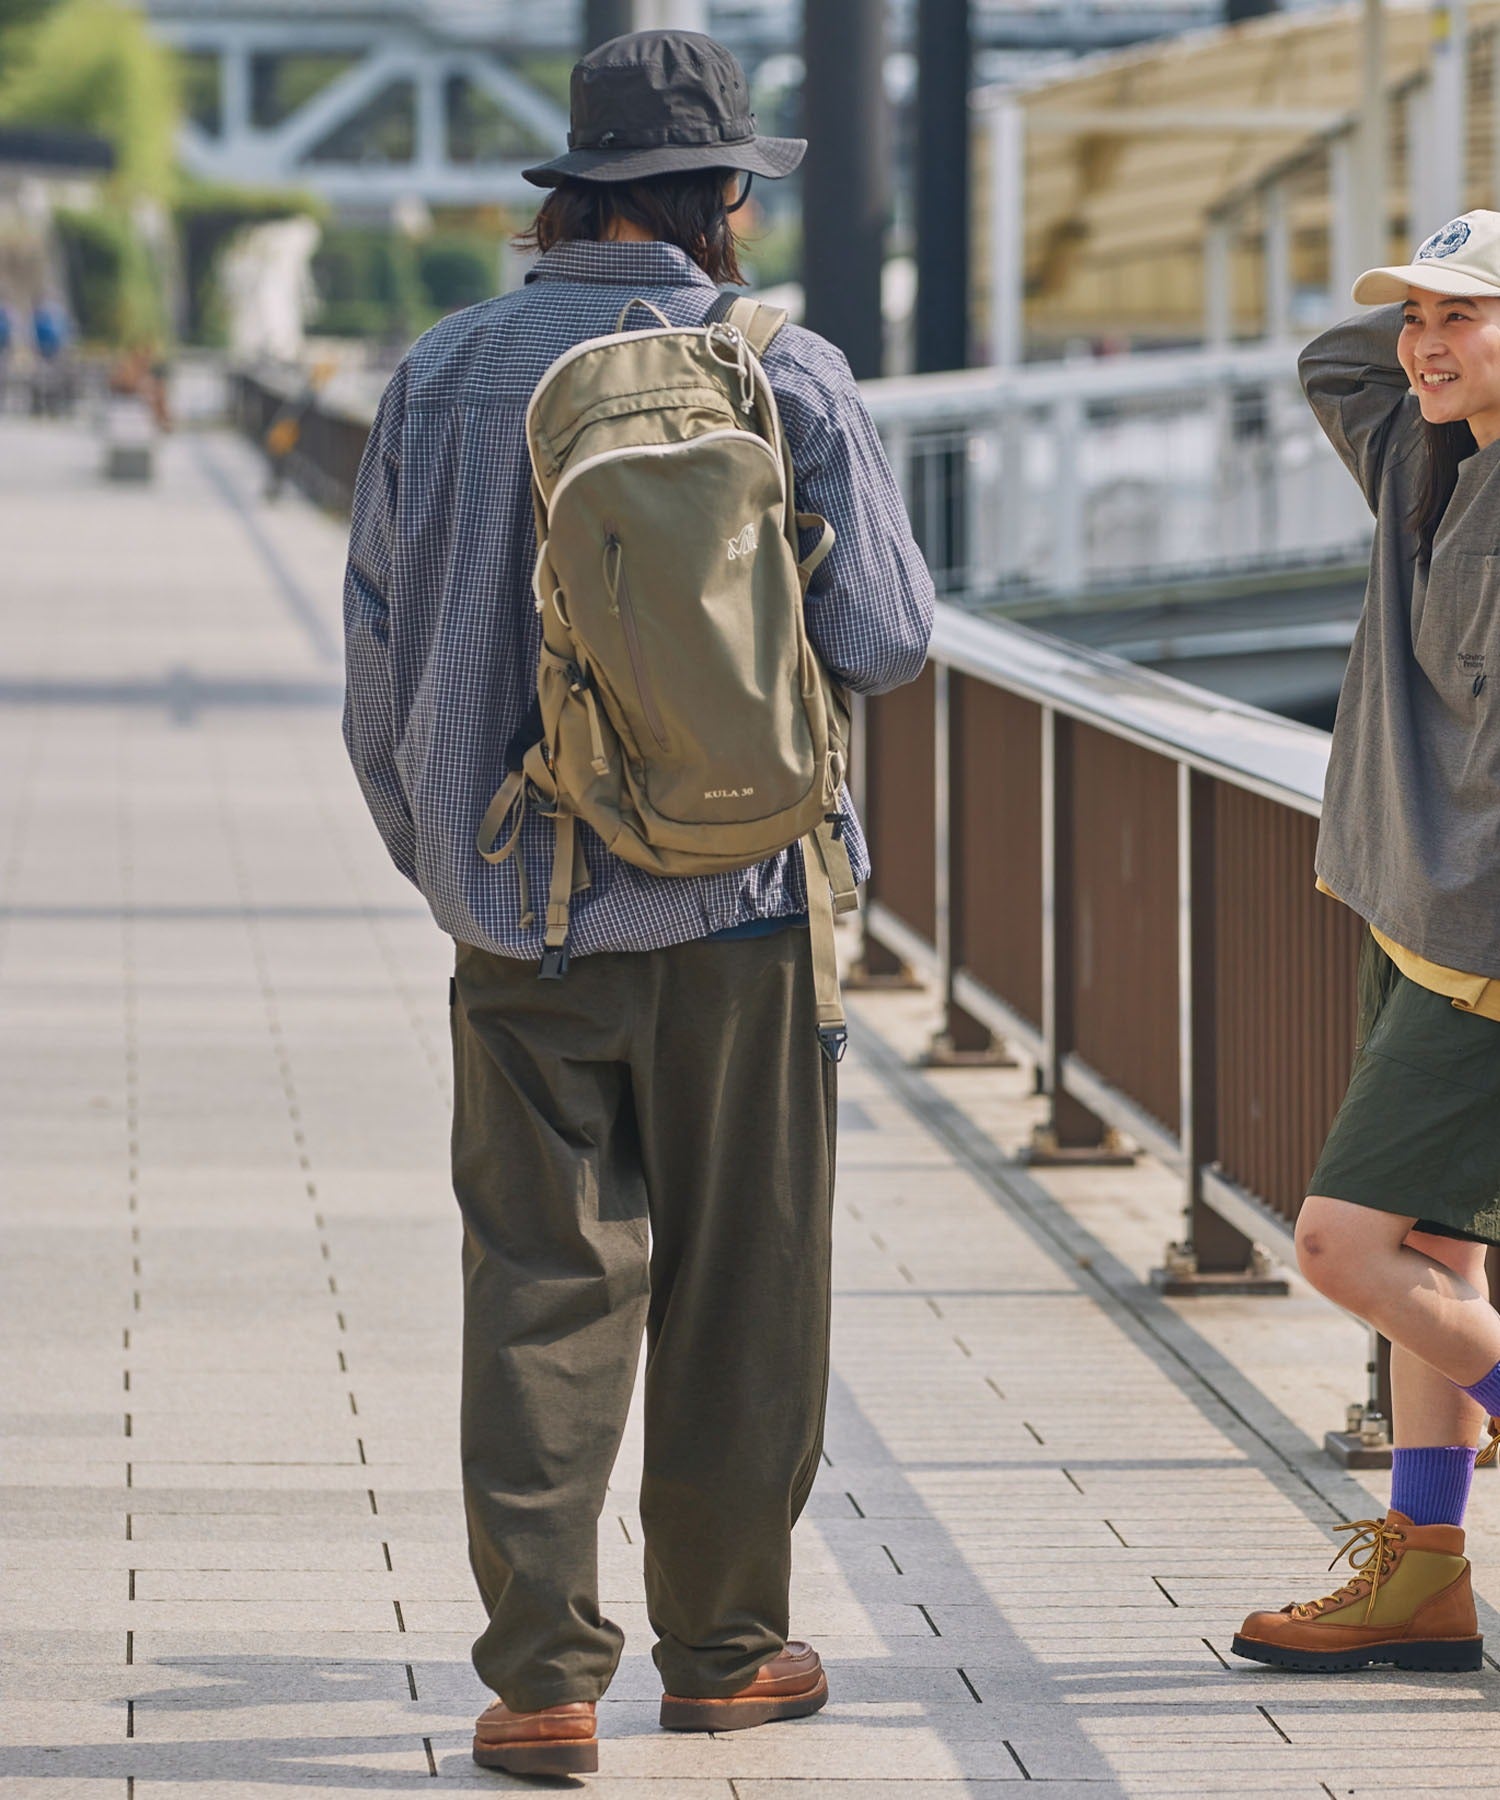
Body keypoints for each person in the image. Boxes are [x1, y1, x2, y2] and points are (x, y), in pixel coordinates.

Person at [341, 28, 933, 1778]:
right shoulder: (786, 370)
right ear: (723, 202)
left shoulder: (439, 374)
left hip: (518, 922)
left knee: (538, 1277)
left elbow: (379, 684)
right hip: (740, 910)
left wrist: (455, 864)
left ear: (570, 191)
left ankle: (541, 1675)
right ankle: (728, 1651)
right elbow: (890, 638)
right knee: (747, 1281)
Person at [1233, 209, 1500, 1674]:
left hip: (1487, 939)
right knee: (1436, 1261)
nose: (1423, 345)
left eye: (1463, 316)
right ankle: (1425, 1569)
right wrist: (1436, 332)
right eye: (1422, 317)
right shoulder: (1415, 453)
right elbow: (1334, 359)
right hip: (1410, 903)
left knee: (1342, 1249)